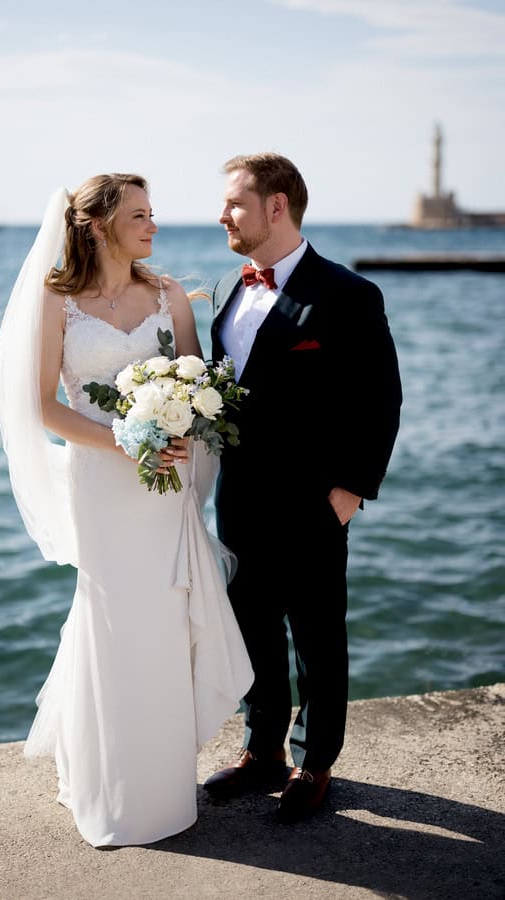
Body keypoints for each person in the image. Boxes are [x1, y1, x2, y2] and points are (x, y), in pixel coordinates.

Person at [0, 173, 253, 848]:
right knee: (112, 626)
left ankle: (164, 792)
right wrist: (125, 441)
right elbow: (42, 406)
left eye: (152, 213)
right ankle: (112, 793)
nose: (153, 225)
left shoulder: (168, 297)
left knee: (162, 627)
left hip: (165, 489)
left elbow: (200, 389)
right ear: (99, 224)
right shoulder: (58, 303)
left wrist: (181, 433)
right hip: (103, 489)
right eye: (139, 214)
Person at [203, 153, 402, 823]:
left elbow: (380, 401)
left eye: (234, 203)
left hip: (314, 504)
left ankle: (314, 762)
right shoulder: (235, 287)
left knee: (317, 638)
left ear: (276, 205)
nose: (222, 214)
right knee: (253, 628)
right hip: (239, 500)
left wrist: (350, 490)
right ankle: (262, 750)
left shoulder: (347, 294)